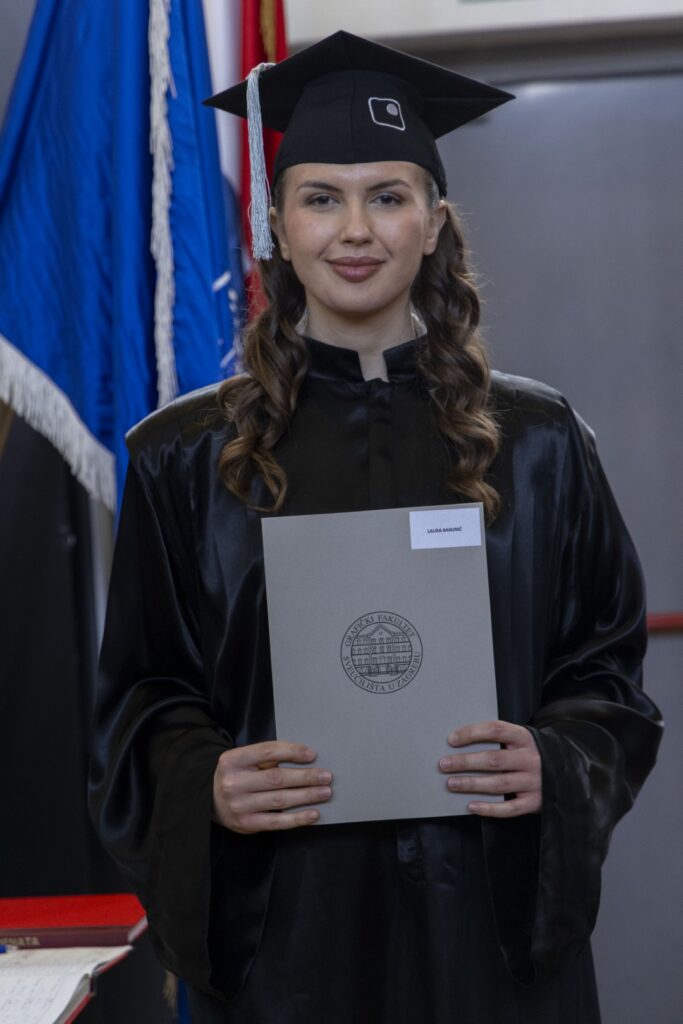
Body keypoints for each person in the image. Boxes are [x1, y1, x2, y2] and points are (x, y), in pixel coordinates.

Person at [88, 31, 663, 1024]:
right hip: (287, 943)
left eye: (387, 197)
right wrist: (205, 785)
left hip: (485, 933)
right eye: (321, 199)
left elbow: (603, 673)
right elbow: (143, 693)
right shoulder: (184, 457)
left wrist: (558, 758)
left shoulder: (538, 441)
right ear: (276, 223)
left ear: (432, 223)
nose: (354, 231)